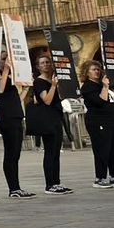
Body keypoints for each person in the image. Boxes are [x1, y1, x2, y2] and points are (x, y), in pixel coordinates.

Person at [27, 48, 71, 195]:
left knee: (56, 152)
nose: (46, 65)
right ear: (38, 67)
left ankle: (56, 182)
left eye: (47, 62)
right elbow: (46, 100)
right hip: (47, 120)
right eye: (42, 63)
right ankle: (49, 184)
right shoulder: (39, 82)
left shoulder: (53, 79)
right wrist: (53, 86)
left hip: (56, 117)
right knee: (50, 152)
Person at [81, 58, 114, 188]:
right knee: (102, 149)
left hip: (112, 121)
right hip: (98, 121)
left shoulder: (101, 85)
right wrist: (105, 86)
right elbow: (100, 101)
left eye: (98, 70)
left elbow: (113, 98)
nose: (97, 72)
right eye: (94, 69)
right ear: (87, 72)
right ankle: (100, 177)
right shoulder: (88, 86)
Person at [0, 54, 33, 198]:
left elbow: (16, 99)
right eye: (3, 58)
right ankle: (13, 188)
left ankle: (16, 187)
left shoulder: (11, 78)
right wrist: (6, 69)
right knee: (11, 153)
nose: (7, 60)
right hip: (6, 118)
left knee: (16, 153)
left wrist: (26, 88)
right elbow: (0, 90)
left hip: (16, 116)